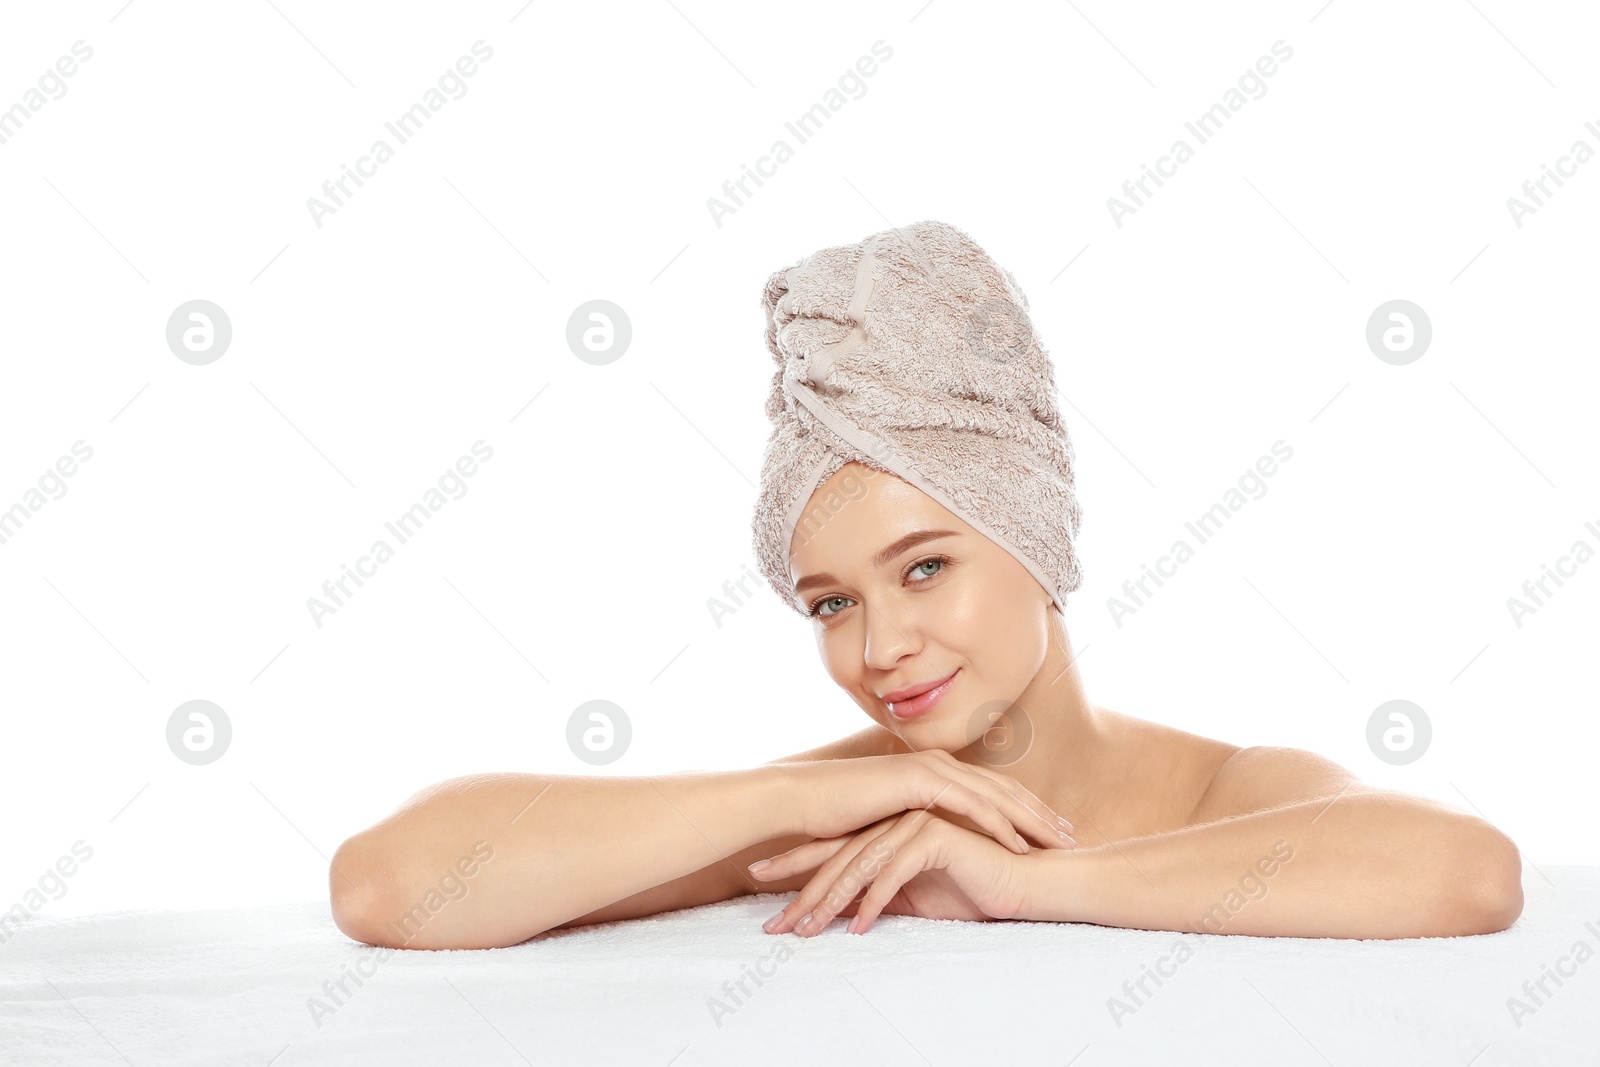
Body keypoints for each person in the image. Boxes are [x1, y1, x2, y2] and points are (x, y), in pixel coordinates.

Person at [329, 221, 1523, 950]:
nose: (880, 644)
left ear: (1037, 537)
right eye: (831, 602)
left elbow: (1465, 869)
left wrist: (1028, 882)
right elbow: (388, 880)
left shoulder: (1222, 788)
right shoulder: (830, 819)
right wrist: (777, 802)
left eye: (925, 566)